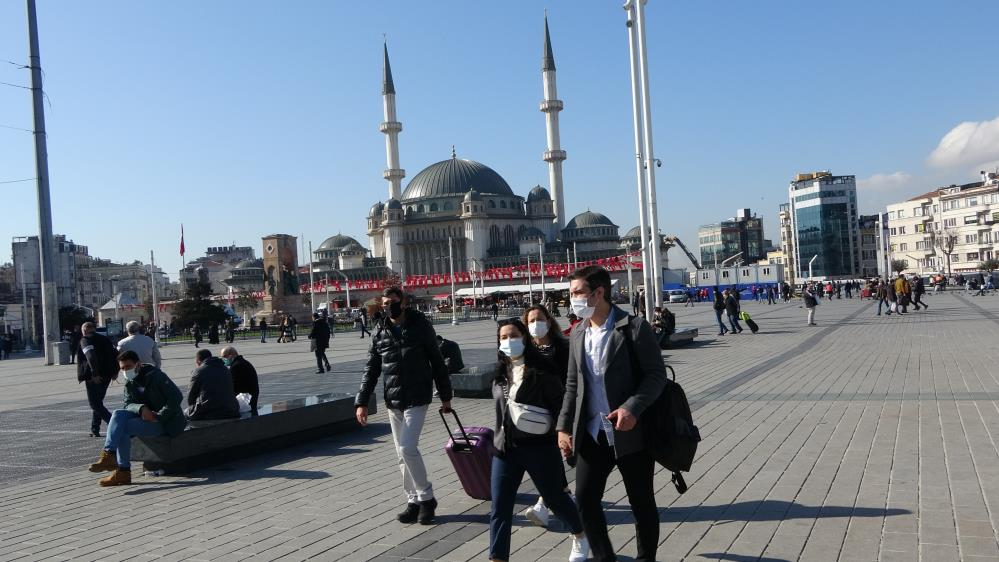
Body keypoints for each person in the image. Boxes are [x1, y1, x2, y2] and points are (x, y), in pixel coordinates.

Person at [557, 266, 667, 562]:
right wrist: (563, 427)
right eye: (571, 294)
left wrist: (633, 407)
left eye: (578, 293)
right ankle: (605, 557)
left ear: (599, 292)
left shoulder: (633, 327)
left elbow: (656, 376)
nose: (573, 300)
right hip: (592, 433)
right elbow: (572, 385)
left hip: (630, 433)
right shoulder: (578, 332)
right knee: (585, 499)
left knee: (641, 502)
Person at [489, 318, 589, 562]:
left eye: (513, 335)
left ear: (524, 338)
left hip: (539, 447)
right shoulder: (500, 373)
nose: (509, 341)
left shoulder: (542, 370)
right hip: (506, 449)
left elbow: (560, 405)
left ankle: (580, 535)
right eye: (503, 337)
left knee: (556, 497)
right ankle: (497, 558)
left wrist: (564, 434)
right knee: (500, 507)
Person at [355, 286, 453, 525]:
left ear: (404, 302)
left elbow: (437, 361)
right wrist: (362, 401)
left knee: (407, 448)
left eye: (392, 301)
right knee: (401, 454)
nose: (388, 306)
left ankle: (427, 498)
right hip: (393, 399)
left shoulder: (420, 326)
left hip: (417, 396)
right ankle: (413, 501)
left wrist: (445, 395)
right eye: (385, 302)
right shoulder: (380, 330)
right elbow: (371, 368)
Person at [87, 350, 186, 486]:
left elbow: (176, 397)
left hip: (166, 422)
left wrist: (160, 415)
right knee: (118, 414)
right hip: (146, 417)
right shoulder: (130, 381)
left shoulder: (156, 376)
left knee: (123, 428)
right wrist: (141, 408)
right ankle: (109, 454)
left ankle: (123, 471)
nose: (125, 371)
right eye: (122, 368)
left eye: (128, 367)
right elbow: (128, 403)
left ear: (138, 364)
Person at [519, 304, 571, 527]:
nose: (535, 324)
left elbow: (573, 379)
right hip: (535, 415)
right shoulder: (524, 350)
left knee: (550, 457)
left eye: (539, 319)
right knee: (547, 458)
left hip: (560, 409)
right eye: (530, 321)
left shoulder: (564, 348)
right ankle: (558, 495)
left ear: (549, 322)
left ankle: (545, 503)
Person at [77, 322, 118, 437]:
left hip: (95, 377)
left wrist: (94, 373)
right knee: (98, 402)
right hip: (107, 375)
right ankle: (95, 429)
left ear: (84, 331)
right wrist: (115, 371)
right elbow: (117, 354)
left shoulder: (85, 340)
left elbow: (90, 356)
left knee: (94, 404)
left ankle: (114, 423)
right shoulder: (105, 339)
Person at [185, 349, 240, 421]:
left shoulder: (199, 371)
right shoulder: (225, 369)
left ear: (198, 361)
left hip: (210, 411)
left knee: (185, 413)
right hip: (232, 409)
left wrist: (191, 407)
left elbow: (191, 396)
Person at [221, 346, 259, 411]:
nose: (223, 359)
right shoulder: (244, 362)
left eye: (224, 356)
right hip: (251, 399)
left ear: (231, 355)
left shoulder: (236, 366)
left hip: (245, 402)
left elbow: (233, 387)